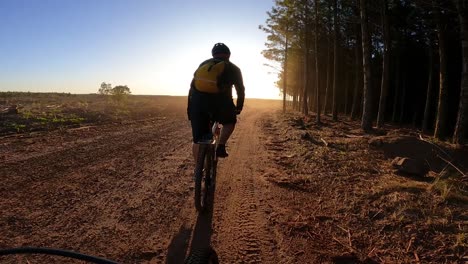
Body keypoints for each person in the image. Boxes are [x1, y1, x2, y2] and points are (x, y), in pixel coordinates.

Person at [187, 43, 245, 160]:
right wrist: (238, 108)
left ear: (213, 54)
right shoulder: (234, 68)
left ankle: (198, 169)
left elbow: (192, 87)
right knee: (229, 122)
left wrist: (190, 108)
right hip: (222, 104)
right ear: (229, 55)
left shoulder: (203, 65)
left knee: (197, 140)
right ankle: (221, 146)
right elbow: (240, 90)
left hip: (198, 103)